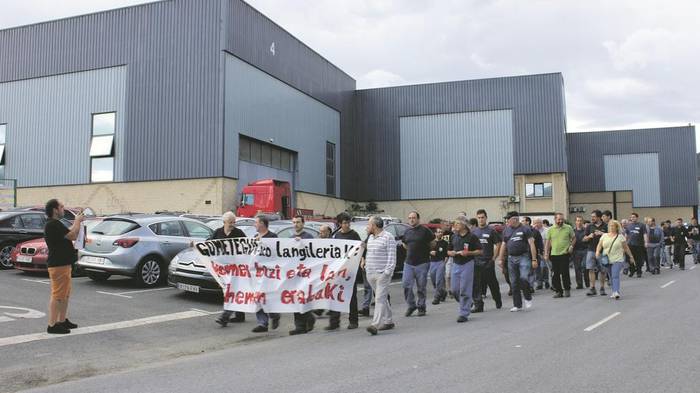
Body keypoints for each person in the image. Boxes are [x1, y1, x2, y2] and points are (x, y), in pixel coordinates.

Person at [44, 199, 84, 334]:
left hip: (64, 264)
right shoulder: (53, 224)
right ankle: (52, 325)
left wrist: (76, 222)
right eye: (61, 207)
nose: (63, 209)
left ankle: (62, 320)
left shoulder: (56, 224)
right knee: (58, 295)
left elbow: (70, 233)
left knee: (65, 294)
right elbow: (73, 235)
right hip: (58, 265)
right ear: (55, 210)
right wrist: (77, 221)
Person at [327, 213, 362, 330]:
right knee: (335, 295)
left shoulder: (354, 235)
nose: (347, 225)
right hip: (339, 271)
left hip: (350, 271)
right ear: (340, 224)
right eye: (344, 223)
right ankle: (334, 322)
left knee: (351, 296)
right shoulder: (336, 236)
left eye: (348, 222)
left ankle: (353, 321)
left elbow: (359, 250)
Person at [497, 211, 537, 312]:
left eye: (508, 219)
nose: (506, 221)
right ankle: (517, 305)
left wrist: (534, 259)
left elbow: (532, 244)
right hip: (511, 258)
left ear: (514, 219)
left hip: (524, 257)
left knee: (523, 278)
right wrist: (500, 259)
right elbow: (503, 245)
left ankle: (527, 297)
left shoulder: (525, 229)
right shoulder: (506, 230)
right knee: (514, 282)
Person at [213, 212, 248, 327]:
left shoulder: (239, 233)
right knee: (231, 291)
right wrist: (195, 245)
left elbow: (248, 246)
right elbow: (209, 244)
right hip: (223, 269)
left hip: (236, 268)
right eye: (230, 222)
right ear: (224, 222)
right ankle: (239, 315)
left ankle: (225, 317)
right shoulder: (218, 232)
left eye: (234, 222)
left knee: (232, 291)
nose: (233, 224)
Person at [364, 216, 397, 335]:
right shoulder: (370, 238)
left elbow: (392, 256)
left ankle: (375, 324)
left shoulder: (388, 237)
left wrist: (387, 272)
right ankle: (388, 321)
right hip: (370, 273)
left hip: (382, 274)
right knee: (382, 297)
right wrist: (366, 266)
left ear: (374, 226)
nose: (367, 227)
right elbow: (369, 253)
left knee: (379, 298)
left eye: (368, 224)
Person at [446, 216, 482, 322]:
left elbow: (480, 251)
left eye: (457, 223)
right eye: (455, 224)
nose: (455, 226)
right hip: (456, 263)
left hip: (467, 263)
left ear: (464, 225)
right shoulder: (453, 236)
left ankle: (464, 313)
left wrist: (469, 253)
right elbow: (448, 250)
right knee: (454, 289)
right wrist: (450, 253)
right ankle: (468, 302)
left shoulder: (472, 237)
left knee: (465, 289)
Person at [401, 211, 434, 317]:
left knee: (421, 287)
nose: (411, 219)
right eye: (410, 218)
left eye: (414, 217)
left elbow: (433, 243)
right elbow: (404, 244)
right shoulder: (407, 231)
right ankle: (411, 305)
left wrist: (425, 250)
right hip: (409, 263)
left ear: (418, 219)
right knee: (406, 285)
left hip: (422, 263)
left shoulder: (425, 231)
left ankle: (421, 307)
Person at [252, 215, 281, 333]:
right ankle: (262, 323)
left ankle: (274, 315)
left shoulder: (273, 237)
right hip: (257, 274)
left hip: (269, 274)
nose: (254, 224)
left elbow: (277, 253)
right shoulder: (255, 237)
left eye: (256, 222)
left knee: (268, 297)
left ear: (262, 224)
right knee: (257, 297)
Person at [289, 216, 317, 335]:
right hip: (295, 273)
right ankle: (300, 325)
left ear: (303, 224)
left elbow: (314, 254)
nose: (296, 224)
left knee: (304, 298)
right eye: (294, 222)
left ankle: (307, 318)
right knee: (296, 298)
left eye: (298, 222)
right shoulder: (290, 239)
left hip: (306, 273)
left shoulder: (309, 238)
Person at [471, 209, 502, 311]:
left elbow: (498, 244)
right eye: (479, 218)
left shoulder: (491, 231)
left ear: (486, 218)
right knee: (476, 284)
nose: (480, 220)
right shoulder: (473, 231)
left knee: (492, 283)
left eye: (482, 217)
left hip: (488, 261)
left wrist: (494, 258)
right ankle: (479, 305)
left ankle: (497, 299)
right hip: (476, 261)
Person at [596, 220, 636, 299]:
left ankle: (616, 291)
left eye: (613, 226)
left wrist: (631, 256)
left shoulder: (620, 236)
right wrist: (597, 252)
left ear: (617, 227)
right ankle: (614, 291)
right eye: (610, 226)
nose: (611, 227)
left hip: (618, 259)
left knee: (615, 275)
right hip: (607, 259)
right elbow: (599, 245)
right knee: (611, 276)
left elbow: (626, 248)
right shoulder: (604, 236)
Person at [544, 213, 575, 298]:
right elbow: (547, 242)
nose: (560, 221)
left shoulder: (568, 228)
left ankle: (567, 289)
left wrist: (571, 246)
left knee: (565, 273)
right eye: (559, 219)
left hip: (564, 253)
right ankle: (558, 291)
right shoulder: (550, 229)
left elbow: (574, 238)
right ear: (555, 219)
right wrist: (546, 253)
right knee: (555, 274)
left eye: (562, 219)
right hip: (554, 254)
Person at [583, 210, 608, 296]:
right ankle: (592, 288)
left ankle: (602, 288)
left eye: (594, 216)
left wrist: (602, 233)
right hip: (591, 250)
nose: (592, 218)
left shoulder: (606, 226)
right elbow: (584, 239)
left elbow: (611, 236)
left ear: (599, 217)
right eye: (591, 216)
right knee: (590, 269)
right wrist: (589, 236)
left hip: (603, 251)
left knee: (603, 270)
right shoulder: (589, 226)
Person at [522, 217, 544, 292]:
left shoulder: (534, 231)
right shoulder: (521, 231)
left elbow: (538, 242)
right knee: (525, 271)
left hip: (532, 254)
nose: (521, 222)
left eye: (523, 221)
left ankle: (531, 286)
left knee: (532, 271)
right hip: (523, 254)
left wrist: (541, 252)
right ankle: (526, 285)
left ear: (528, 222)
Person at [625, 213, 648, 278]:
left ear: (637, 218)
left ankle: (639, 272)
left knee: (639, 260)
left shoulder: (642, 225)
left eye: (634, 217)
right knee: (630, 259)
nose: (632, 218)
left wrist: (646, 242)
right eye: (631, 217)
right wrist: (624, 243)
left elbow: (645, 234)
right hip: (630, 245)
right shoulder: (628, 226)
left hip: (639, 245)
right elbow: (626, 235)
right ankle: (632, 271)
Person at [429, 228, 448, 305]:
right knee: (433, 279)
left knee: (439, 281)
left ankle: (437, 297)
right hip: (433, 262)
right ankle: (443, 292)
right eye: (438, 232)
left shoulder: (445, 243)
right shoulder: (432, 243)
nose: (440, 233)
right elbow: (427, 251)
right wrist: (430, 252)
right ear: (435, 233)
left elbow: (447, 255)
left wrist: (444, 263)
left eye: (441, 232)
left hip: (441, 262)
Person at [571, 216, 589, 289]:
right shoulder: (572, 231)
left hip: (585, 250)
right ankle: (579, 284)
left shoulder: (586, 230)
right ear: (575, 222)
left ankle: (587, 282)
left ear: (582, 222)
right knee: (577, 268)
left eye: (580, 221)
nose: (579, 222)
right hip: (576, 251)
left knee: (585, 266)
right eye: (577, 221)